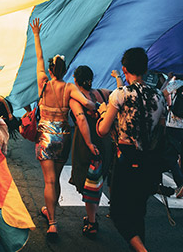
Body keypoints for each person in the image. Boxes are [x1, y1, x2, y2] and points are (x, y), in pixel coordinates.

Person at [30, 18, 96, 240]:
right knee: (55, 179)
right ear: (66, 70)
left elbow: (39, 58)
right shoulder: (69, 87)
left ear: (50, 69)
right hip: (64, 135)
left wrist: (37, 35)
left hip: (46, 135)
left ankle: (52, 223)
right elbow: (87, 104)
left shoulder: (43, 83)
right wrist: (97, 106)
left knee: (48, 181)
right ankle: (51, 212)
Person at [97, 47, 167, 251]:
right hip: (149, 160)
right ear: (145, 70)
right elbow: (161, 130)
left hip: (126, 158)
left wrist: (102, 113)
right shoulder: (159, 96)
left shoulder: (120, 94)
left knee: (118, 213)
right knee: (138, 212)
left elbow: (102, 130)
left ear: (124, 69)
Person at [69, 65, 114, 239]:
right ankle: (93, 216)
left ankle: (92, 222)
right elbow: (119, 94)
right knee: (98, 179)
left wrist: (88, 143)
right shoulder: (103, 94)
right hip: (105, 141)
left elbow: (81, 120)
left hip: (87, 143)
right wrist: (117, 77)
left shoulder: (76, 99)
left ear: (75, 79)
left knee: (90, 184)